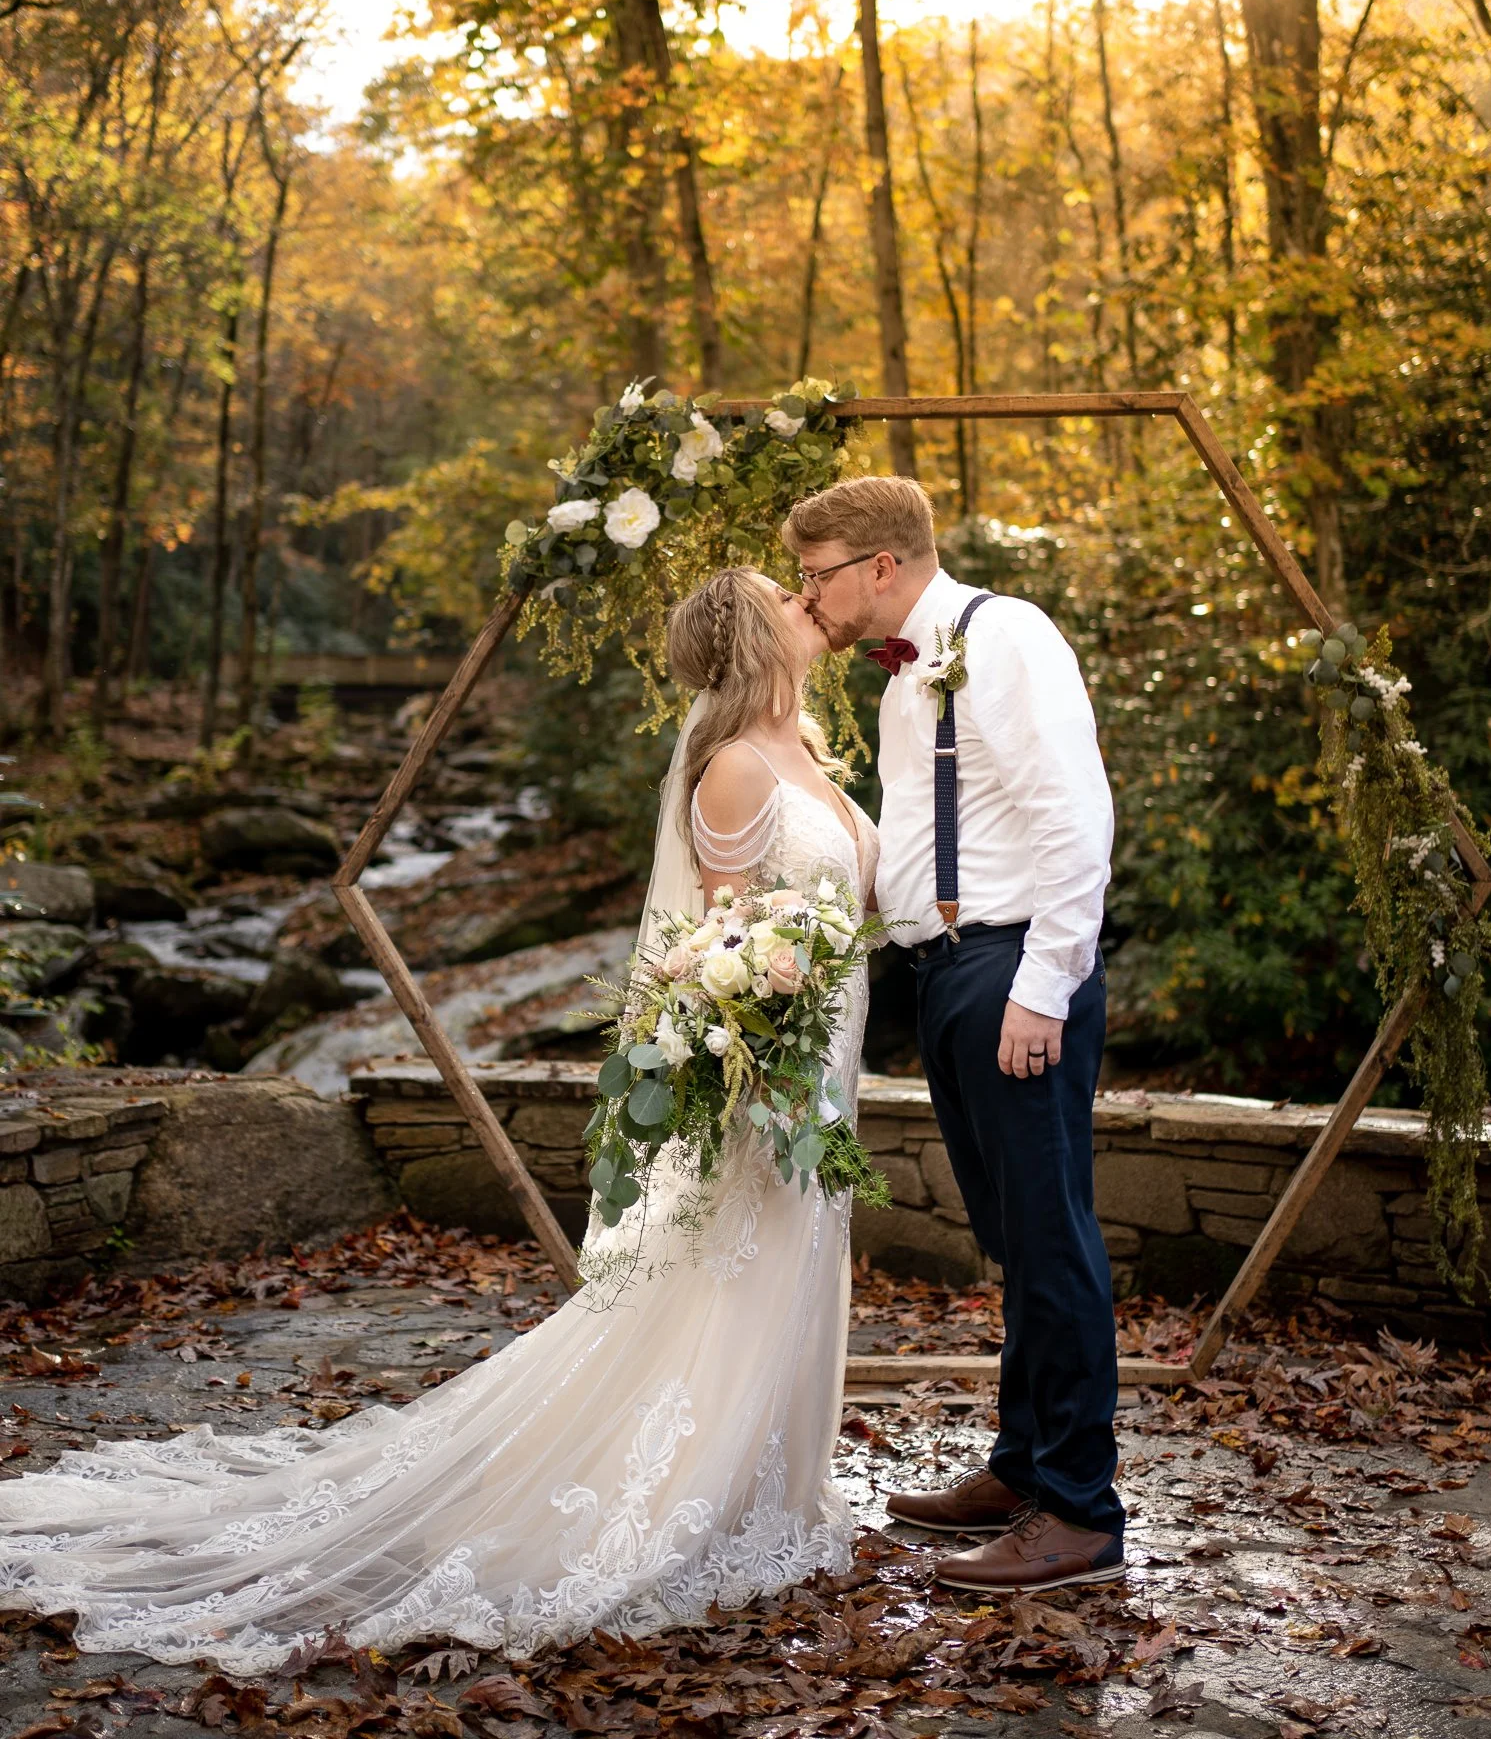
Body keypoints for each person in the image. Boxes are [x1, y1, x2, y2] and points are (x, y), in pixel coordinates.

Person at [0, 566, 879, 1674]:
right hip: (776, 1074)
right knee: (733, 1280)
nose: (809, 605)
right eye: (786, 597)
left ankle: (771, 1490)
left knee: (795, 1263)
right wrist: (764, 1052)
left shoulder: (808, 750)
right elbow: (717, 946)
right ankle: (688, 1497)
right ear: (755, 634)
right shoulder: (737, 768)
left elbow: (859, 897)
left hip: (831, 1056)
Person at [783, 474, 1124, 1593]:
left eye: (819, 572)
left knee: (1053, 1234)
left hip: (1012, 970)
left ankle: (1078, 1506)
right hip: (947, 974)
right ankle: (1024, 1463)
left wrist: (1044, 983)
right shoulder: (900, 682)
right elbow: (928, 844)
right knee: (1015, 1238)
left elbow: (1074, 818)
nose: (810, 594)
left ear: (882, 564)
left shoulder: (1007, 635)